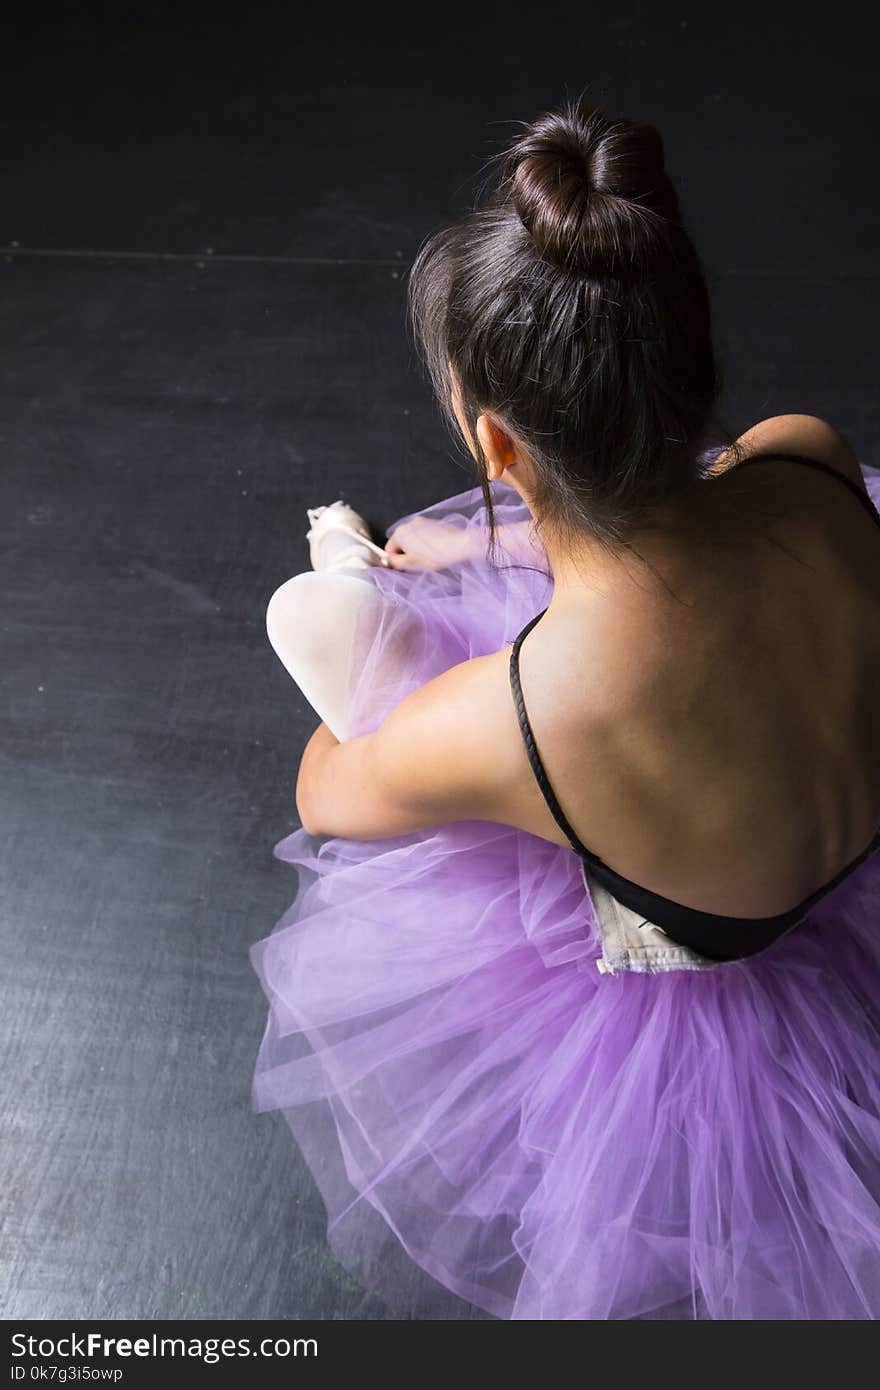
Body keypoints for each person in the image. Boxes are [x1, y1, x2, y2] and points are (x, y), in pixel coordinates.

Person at [249, 93, 880, 1320]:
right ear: (694, 363)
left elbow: (329, 785)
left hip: (716, 1002)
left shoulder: (521, 716)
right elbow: (692, 522)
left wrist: (373, 626)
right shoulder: (805, 459)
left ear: (495, 442)